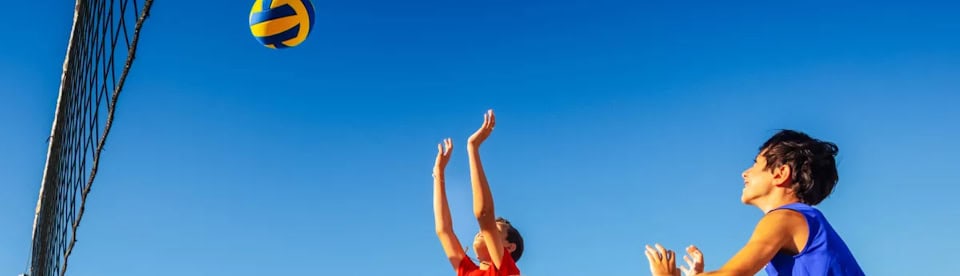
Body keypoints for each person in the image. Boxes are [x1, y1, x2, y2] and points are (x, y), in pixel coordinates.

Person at [645, 129, 865, 276]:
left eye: (755, 164)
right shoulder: (804, 221)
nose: (745, 173)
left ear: (780, 174)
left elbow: (733, 274)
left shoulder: (784, 218)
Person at [433, 110, 523, 276]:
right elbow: (443, 230)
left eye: (495, 230)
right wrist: (439, 174)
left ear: (509, 247)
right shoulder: (468, 272)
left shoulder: (505, 270)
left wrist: (473, 148)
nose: (482, 231)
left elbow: (484, 214)